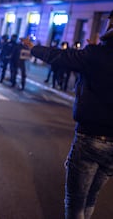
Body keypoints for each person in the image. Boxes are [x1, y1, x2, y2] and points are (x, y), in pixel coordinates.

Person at [21, 18, 113, 219]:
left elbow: (60, 57)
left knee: (75, 202)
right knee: (91, 197)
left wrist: (34, 48)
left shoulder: (96, 54)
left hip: (91, 137)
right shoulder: (95, 53)